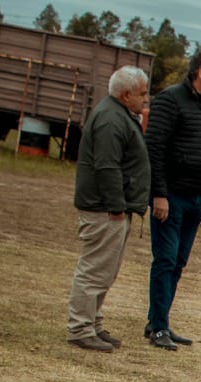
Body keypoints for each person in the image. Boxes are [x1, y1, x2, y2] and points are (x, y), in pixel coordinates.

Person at [144, 46, 201, 351]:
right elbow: (153, 149)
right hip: (172, 198)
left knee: (178, 262)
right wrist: (159, 194)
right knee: (165, 260)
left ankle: (159, 319)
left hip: (197, 198)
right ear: (200, 73)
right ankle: (158, 328)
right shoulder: (170, 100)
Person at [66, 66, 151, 352]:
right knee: (94, 270)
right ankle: (80, 328)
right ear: (126, 95)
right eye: (142, 94)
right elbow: (106, 166)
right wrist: (116, 205)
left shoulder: (119, 115)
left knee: (106, 271)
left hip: (114, 207)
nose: (145, 99)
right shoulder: (110, 119)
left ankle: (93, 323)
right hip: (104, 209)